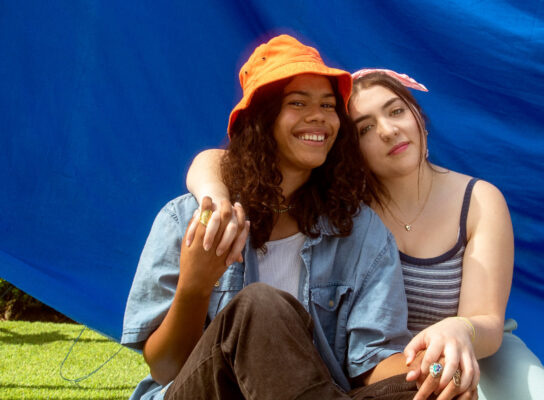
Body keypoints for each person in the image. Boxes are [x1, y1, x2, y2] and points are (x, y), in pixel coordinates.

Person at [186, 65, 544, 399]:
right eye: (365, 128)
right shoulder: (345, 210)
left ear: (418, 117)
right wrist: (214, 196)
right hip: (378, 371)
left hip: (472, 350)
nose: (389, 131)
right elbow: (218, 160)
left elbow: (488, 320)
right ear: (347, 146)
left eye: (396, 111)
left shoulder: (477, 200)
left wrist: (460, 329)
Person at [121, 34, 439, 400]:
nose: (318, 116)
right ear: (262, 117)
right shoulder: (187, 219)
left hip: (318, 391)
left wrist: (433, 370)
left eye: (328, 104)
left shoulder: (359, 230)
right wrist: (195, 284)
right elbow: (165, 368)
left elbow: (372, 363)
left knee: (426, 391)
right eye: (298, 102)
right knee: (261, 307)